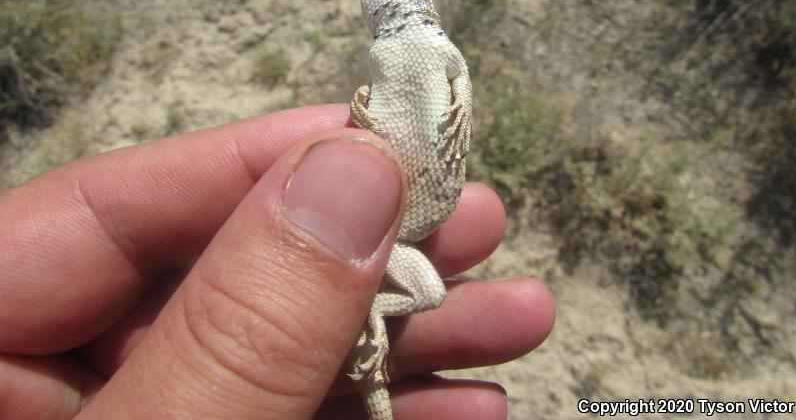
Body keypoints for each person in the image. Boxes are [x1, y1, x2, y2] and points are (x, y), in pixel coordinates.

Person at [0, 104, 555, 419]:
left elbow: (459, 91)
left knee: (431, 292)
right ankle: (371, 324)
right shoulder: (391, 51)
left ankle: (371, 317)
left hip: (408, 218)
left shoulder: (437, 48)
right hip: (390, 213)